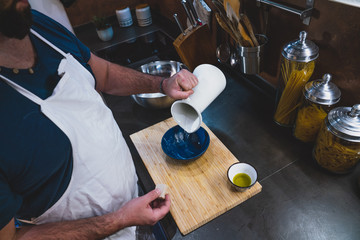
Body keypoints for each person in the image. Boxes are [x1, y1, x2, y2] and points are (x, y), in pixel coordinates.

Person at [0, 0, 198, 239]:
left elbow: (102, 74)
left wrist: (161, 84)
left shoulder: (37, 25)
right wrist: (119, 220)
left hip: (137, 209)